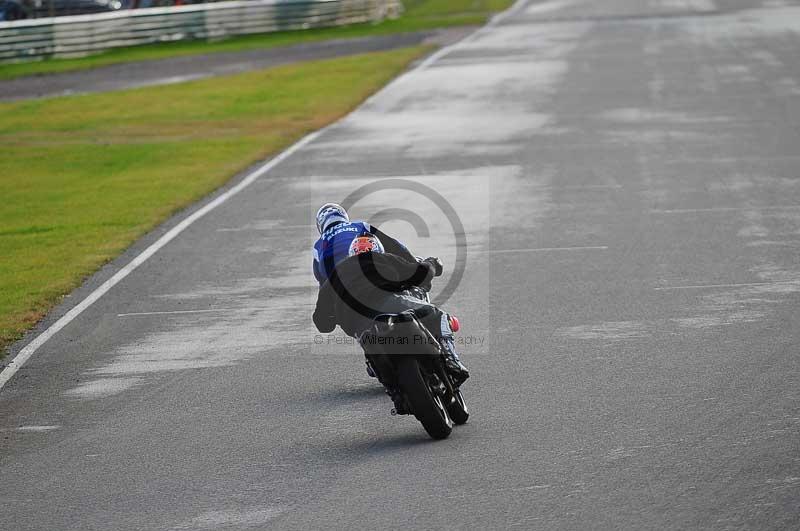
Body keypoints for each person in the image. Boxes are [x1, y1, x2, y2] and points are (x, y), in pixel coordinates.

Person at [312, 230, 469, 387]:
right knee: (437, 315)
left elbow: (322, 323)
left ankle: (389, 383)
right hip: (386, 302)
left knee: (369, 349)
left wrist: (337, 317)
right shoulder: (381, 258)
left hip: (357, 324)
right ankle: (451, 360)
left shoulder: (334, 275)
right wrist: (432, 264)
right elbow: (420, 274)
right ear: (377, 249)